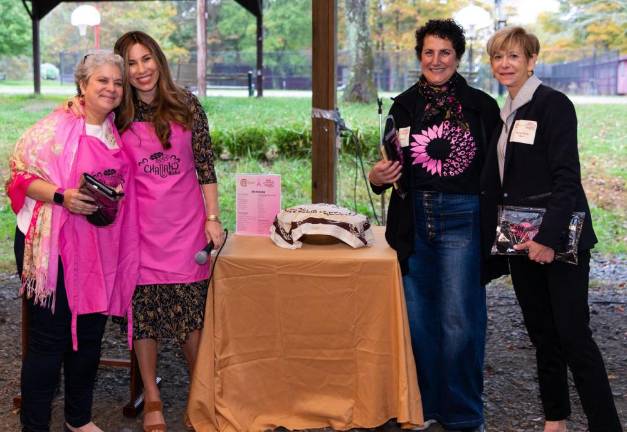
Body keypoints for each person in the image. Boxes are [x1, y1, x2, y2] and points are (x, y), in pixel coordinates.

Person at [482, 26, 622, 432]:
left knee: (574, 336)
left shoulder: (552, 105)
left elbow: (567, 179)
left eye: (513, 56)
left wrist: (547, 239)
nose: (505, 64)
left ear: (531, 60)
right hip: (518, 238)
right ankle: (555, 419)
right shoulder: (506, 112)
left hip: (558, 238)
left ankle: (606, 424)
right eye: (498, 57)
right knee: (542, 333)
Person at [368, 19, 500, 432]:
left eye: (445, 52)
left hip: (464, 217)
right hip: (414, 217)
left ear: (457, 57)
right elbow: (389, 165)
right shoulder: (403, 106)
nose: (436, 60)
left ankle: (463, 415)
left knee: (460, 321)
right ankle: (422, 406)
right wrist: (377, 178)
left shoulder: (481, 106)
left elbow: (498, 173)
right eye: (429, 52)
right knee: (419, 318)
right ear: (419, 56)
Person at [7, 51, 137, 432]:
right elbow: (18, 177)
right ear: (83, 84)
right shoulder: (55, 128)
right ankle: (35, 425)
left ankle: (78, 419)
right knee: (50, 339)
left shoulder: (114, 129)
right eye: (103, 81)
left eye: (117, 82)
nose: (111, 88)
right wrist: (63, 196)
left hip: (97, 244)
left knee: (91, 333)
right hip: (52, 246)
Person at [113, 31, 222, 432]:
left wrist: (213, 218)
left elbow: (206, 166)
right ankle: (153, 397)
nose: (141, 70)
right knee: (143, 315)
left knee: (190, 316)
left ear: (158, 60)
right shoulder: (117, 114)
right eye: (131, 63)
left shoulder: (186, 105)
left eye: (146, 59)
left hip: (185, 228)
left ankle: (200, 392)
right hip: (137, 232)